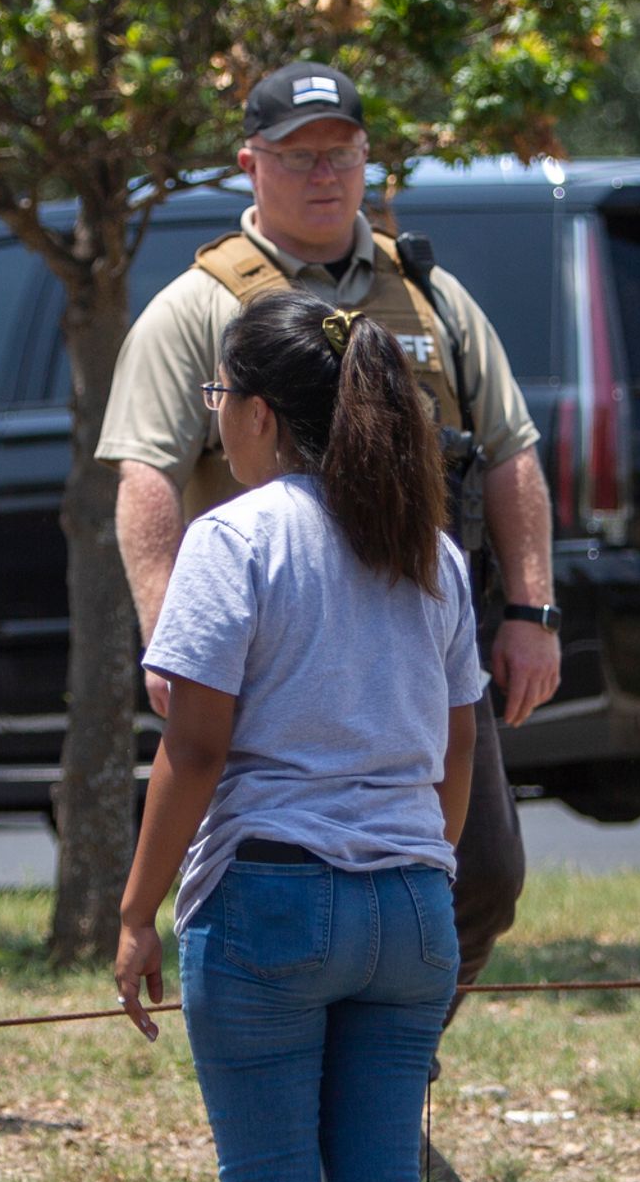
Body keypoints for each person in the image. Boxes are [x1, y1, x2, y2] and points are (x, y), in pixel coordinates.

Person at [114, 292, 489, 1182]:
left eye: (221, 405)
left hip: (269, 898)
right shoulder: (429, 550)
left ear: (262, 412)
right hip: (408, 910)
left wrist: (136, 906)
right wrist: (421, 867)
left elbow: (197, 744)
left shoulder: (236, 540)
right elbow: (457, 746)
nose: (218, 426)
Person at [100, 64, 558, 1014]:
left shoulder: (427, 293)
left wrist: (530, 608)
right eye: (300, 155)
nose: (326, 174)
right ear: (249, 165)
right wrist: (165, 630)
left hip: (419, 632)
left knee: (480, 875)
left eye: (343, 151)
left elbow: (511, 449)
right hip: (273, 638)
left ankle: (392, 1074)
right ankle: (327, 1095)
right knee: (279, 876)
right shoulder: (200, 307)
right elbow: (145, 476)